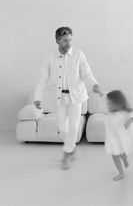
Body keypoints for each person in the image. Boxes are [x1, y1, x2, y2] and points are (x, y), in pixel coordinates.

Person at [33, 27, 103, 170]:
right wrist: (37, 98)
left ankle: (66, 153)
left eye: (70, 39)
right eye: (65, 40)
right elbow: (42, 79)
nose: (68, 43)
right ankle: (71, 148)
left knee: (73, 127)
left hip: (76, 97)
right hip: (59, 98)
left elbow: (86, 74)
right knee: (62, 128)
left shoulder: (78, 54)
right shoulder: (49, 57)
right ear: (57, 40)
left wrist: (94, 85)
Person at [104, 90, 133, 181]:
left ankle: (125, 160)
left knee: (122, 152)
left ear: (118, 102)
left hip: (121, 138)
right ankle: (121, 173)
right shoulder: (110, 113)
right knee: (115, 155)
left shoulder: (124, 112)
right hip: (113, 139)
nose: (108, 105)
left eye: (111, 103)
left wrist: (130, 121)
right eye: (108, 103)